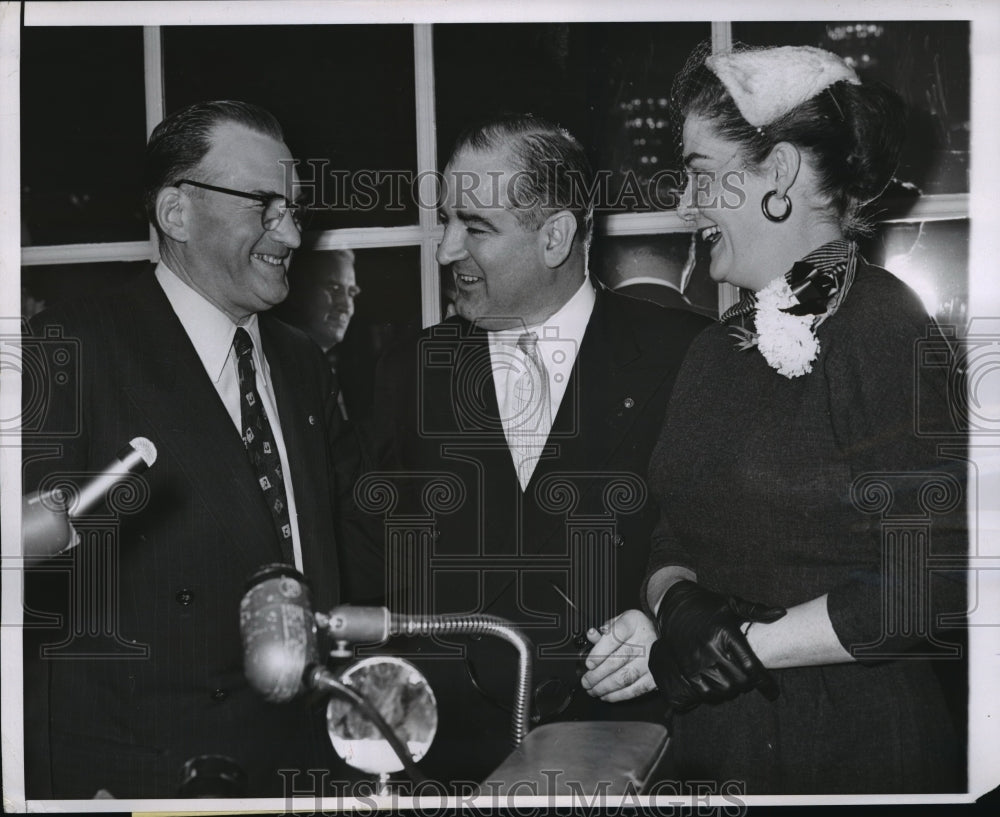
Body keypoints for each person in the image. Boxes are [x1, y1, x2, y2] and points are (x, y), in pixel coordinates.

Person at [583, 45, 967, 793]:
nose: (686, 204)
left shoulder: (884, 326)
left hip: (851, 746)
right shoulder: (711, 349)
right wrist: (673, 606)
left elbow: (929, 584)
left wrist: (739, 645)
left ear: (781, 173)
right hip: (712, 747)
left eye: (699, 171)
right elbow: (673, 532)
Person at [364, 113, 710, 784]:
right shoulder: (407, 370)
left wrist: (668, 616)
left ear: (555, 236)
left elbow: (727, 549)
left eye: (475, 227)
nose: (444, 250)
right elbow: (374, 562)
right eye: (445, 222)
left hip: (636, 758)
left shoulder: (687, 357)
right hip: (448, 769)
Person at [22, 100, 349, 799]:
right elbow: (26, 598)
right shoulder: (71, 349)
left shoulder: (303, 363)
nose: (289, 232)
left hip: (304, 761)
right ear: (176, 213)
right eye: (264, 206)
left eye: (293, 208)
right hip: (148, 775)